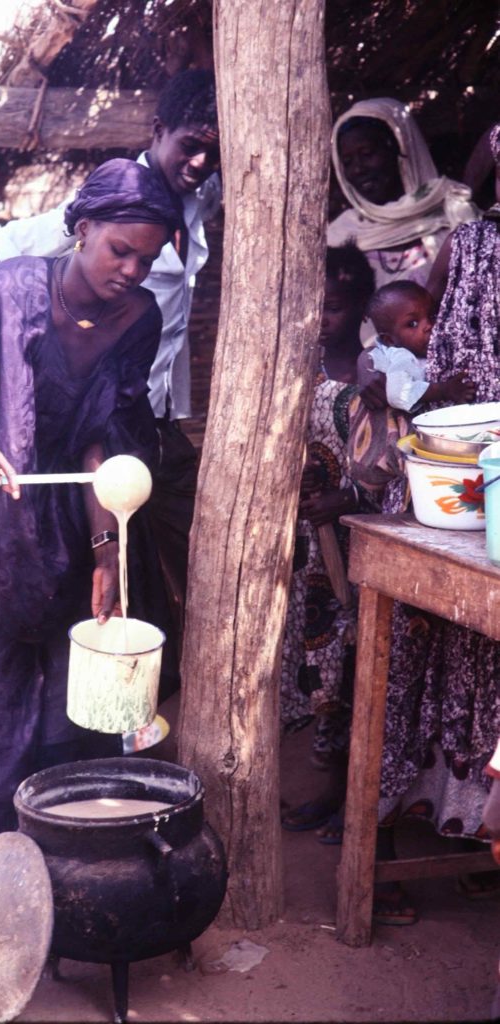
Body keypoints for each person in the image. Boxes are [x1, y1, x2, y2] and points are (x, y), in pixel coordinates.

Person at [0, 159, 181, 864]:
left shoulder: (137, 318)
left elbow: (103, 442)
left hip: (70, 517)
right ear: (81, 230)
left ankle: (64, 850)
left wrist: (105, 556)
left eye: (147, 259)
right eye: (121, 250)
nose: (132, 271)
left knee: (77, 680)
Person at [0, 70, 222, 678]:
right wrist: (10, 368)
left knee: (169, 558)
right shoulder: (104, 209)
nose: (202, 161)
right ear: (158, 132)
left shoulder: (195, 203)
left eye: (215, 150)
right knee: (100, 568)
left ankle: (146, 710)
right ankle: (109, 719)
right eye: (190, 144)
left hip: (150, 417)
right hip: (93, 426)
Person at [352, 122, 500, 924]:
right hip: (442, 484)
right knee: (414, 657)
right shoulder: (471, 248)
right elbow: (394, 338)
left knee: (487, 680)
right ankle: (404, 838)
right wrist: (400, 379)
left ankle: (480, 833)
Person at [280, 244, 375, 841]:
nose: (323, 318)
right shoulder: (299, 379)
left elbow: (391, 467)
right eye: (316, 306)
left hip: (356, 549)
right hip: (310, 553)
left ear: (361, 306)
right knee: (322, 679)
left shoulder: (375, 376)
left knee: (359, 673)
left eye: (335, 307)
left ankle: (359, 806)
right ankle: (332, 790)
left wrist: (347, 501)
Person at [328, 97, 478, 295]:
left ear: (400, 148)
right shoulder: (338, 236)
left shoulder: (455, 213)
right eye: (347, 161)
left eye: (367, 153)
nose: (357, 169)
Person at [359, 281, 475, 412]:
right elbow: (398, 394)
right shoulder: (400, 357)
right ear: (390, 339)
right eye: (412, 324)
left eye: (432, 315)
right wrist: (444, 390)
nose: (429, 325)